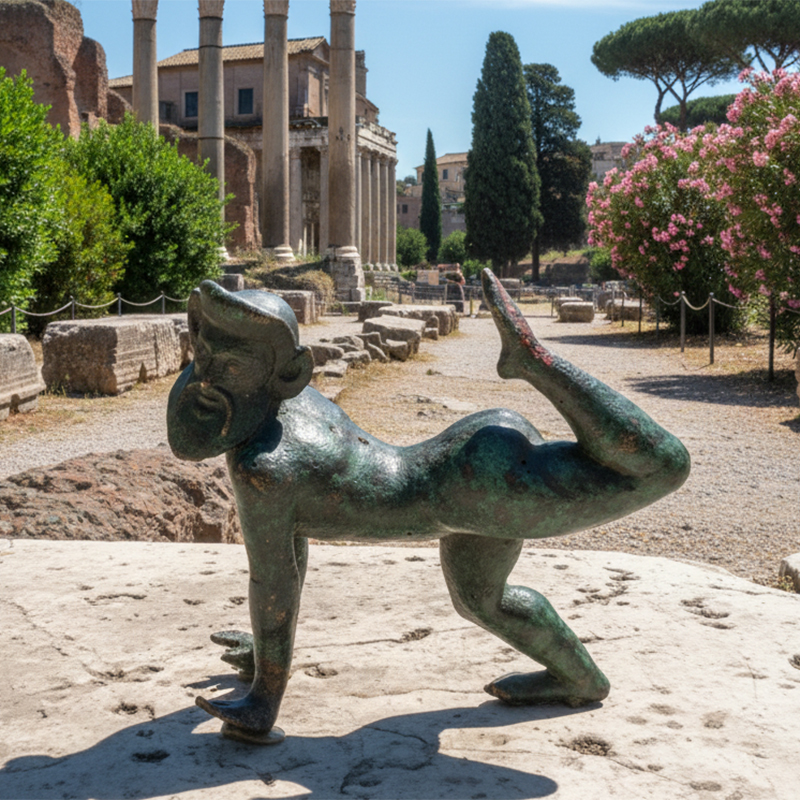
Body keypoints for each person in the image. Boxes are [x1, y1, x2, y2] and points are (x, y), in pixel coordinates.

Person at [167, 269, 690, 744]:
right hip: (458, 487)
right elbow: (289, 561)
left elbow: (274, 581)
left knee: (662, 466)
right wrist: (263, 655)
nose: (206, 377)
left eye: (228, 364)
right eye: (204, 354)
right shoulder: (291, 404)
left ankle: (535, 363)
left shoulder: (264, 466)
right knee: (482, 599)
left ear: (286, 375)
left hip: (471, 483)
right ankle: (580, 679)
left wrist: (264, 697)